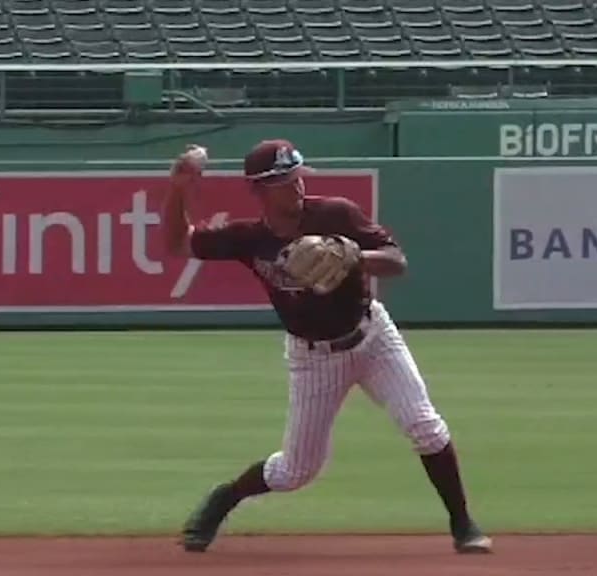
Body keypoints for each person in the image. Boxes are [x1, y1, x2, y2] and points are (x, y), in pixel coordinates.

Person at [160, 140, 493, 555]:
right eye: (284, 181)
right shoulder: (248, 238)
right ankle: (225, 497)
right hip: (313, 357)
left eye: (297, 177)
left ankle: (463, 524)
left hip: (372, 337)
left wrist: (356, 255)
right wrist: (177, 189)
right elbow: (177, 244)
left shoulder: (336, 213)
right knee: (295, 471)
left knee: (425, 425)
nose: (296, 187)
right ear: (260, 190)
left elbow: (397, 260)